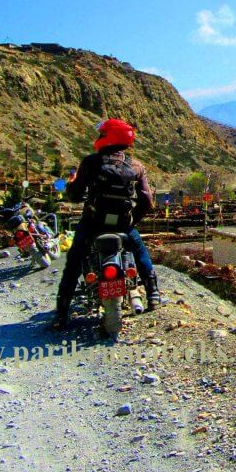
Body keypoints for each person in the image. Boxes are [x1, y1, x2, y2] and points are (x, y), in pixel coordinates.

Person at [51, 118, 160, 330]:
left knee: (73, 263)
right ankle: (153, 294)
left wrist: (71, 187)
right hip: (123, 226)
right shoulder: (136, 166)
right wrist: (131, 221)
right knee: (140, 253)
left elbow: (75, 195)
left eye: (102, 134)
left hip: (92, 224)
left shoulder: (91, 162)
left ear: (109, 137)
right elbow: (147, 201)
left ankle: (61, 313)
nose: (99, 137)